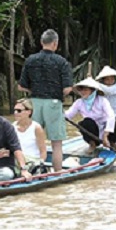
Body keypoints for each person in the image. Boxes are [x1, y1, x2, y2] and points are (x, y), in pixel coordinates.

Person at [18, 29, 73, 172]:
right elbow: (67, 89)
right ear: (55, 44)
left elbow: (21, 86)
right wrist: (57, 93)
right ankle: (58, 173)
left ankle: (30, 169)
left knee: (34, 138)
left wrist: (34, 91)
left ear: (42, 42)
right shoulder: (61, 62)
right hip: (54, 103)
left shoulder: (30, 60)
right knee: (56, 143)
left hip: (34, 103)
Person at [64, 77, 116, 153]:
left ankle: (112, 142)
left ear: (92, 91)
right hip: (93, 131)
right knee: (86, 122)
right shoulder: (79, 102)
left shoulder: (102, 100)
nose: (83, 92)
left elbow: (111, 116)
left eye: (86, 90)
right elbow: (68, 115)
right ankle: (92, 144)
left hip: (106, 129)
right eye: (81, 90)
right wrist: (58, 111)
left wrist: (105, 136)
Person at [12, 98, 47, 168]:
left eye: (19, 111)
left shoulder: (36, 128)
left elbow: (43, 151)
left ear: (29, 112)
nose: (15, 113)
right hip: (18, 160)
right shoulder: (12, 127)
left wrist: (40, 164)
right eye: (15, 110)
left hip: (32, 161)